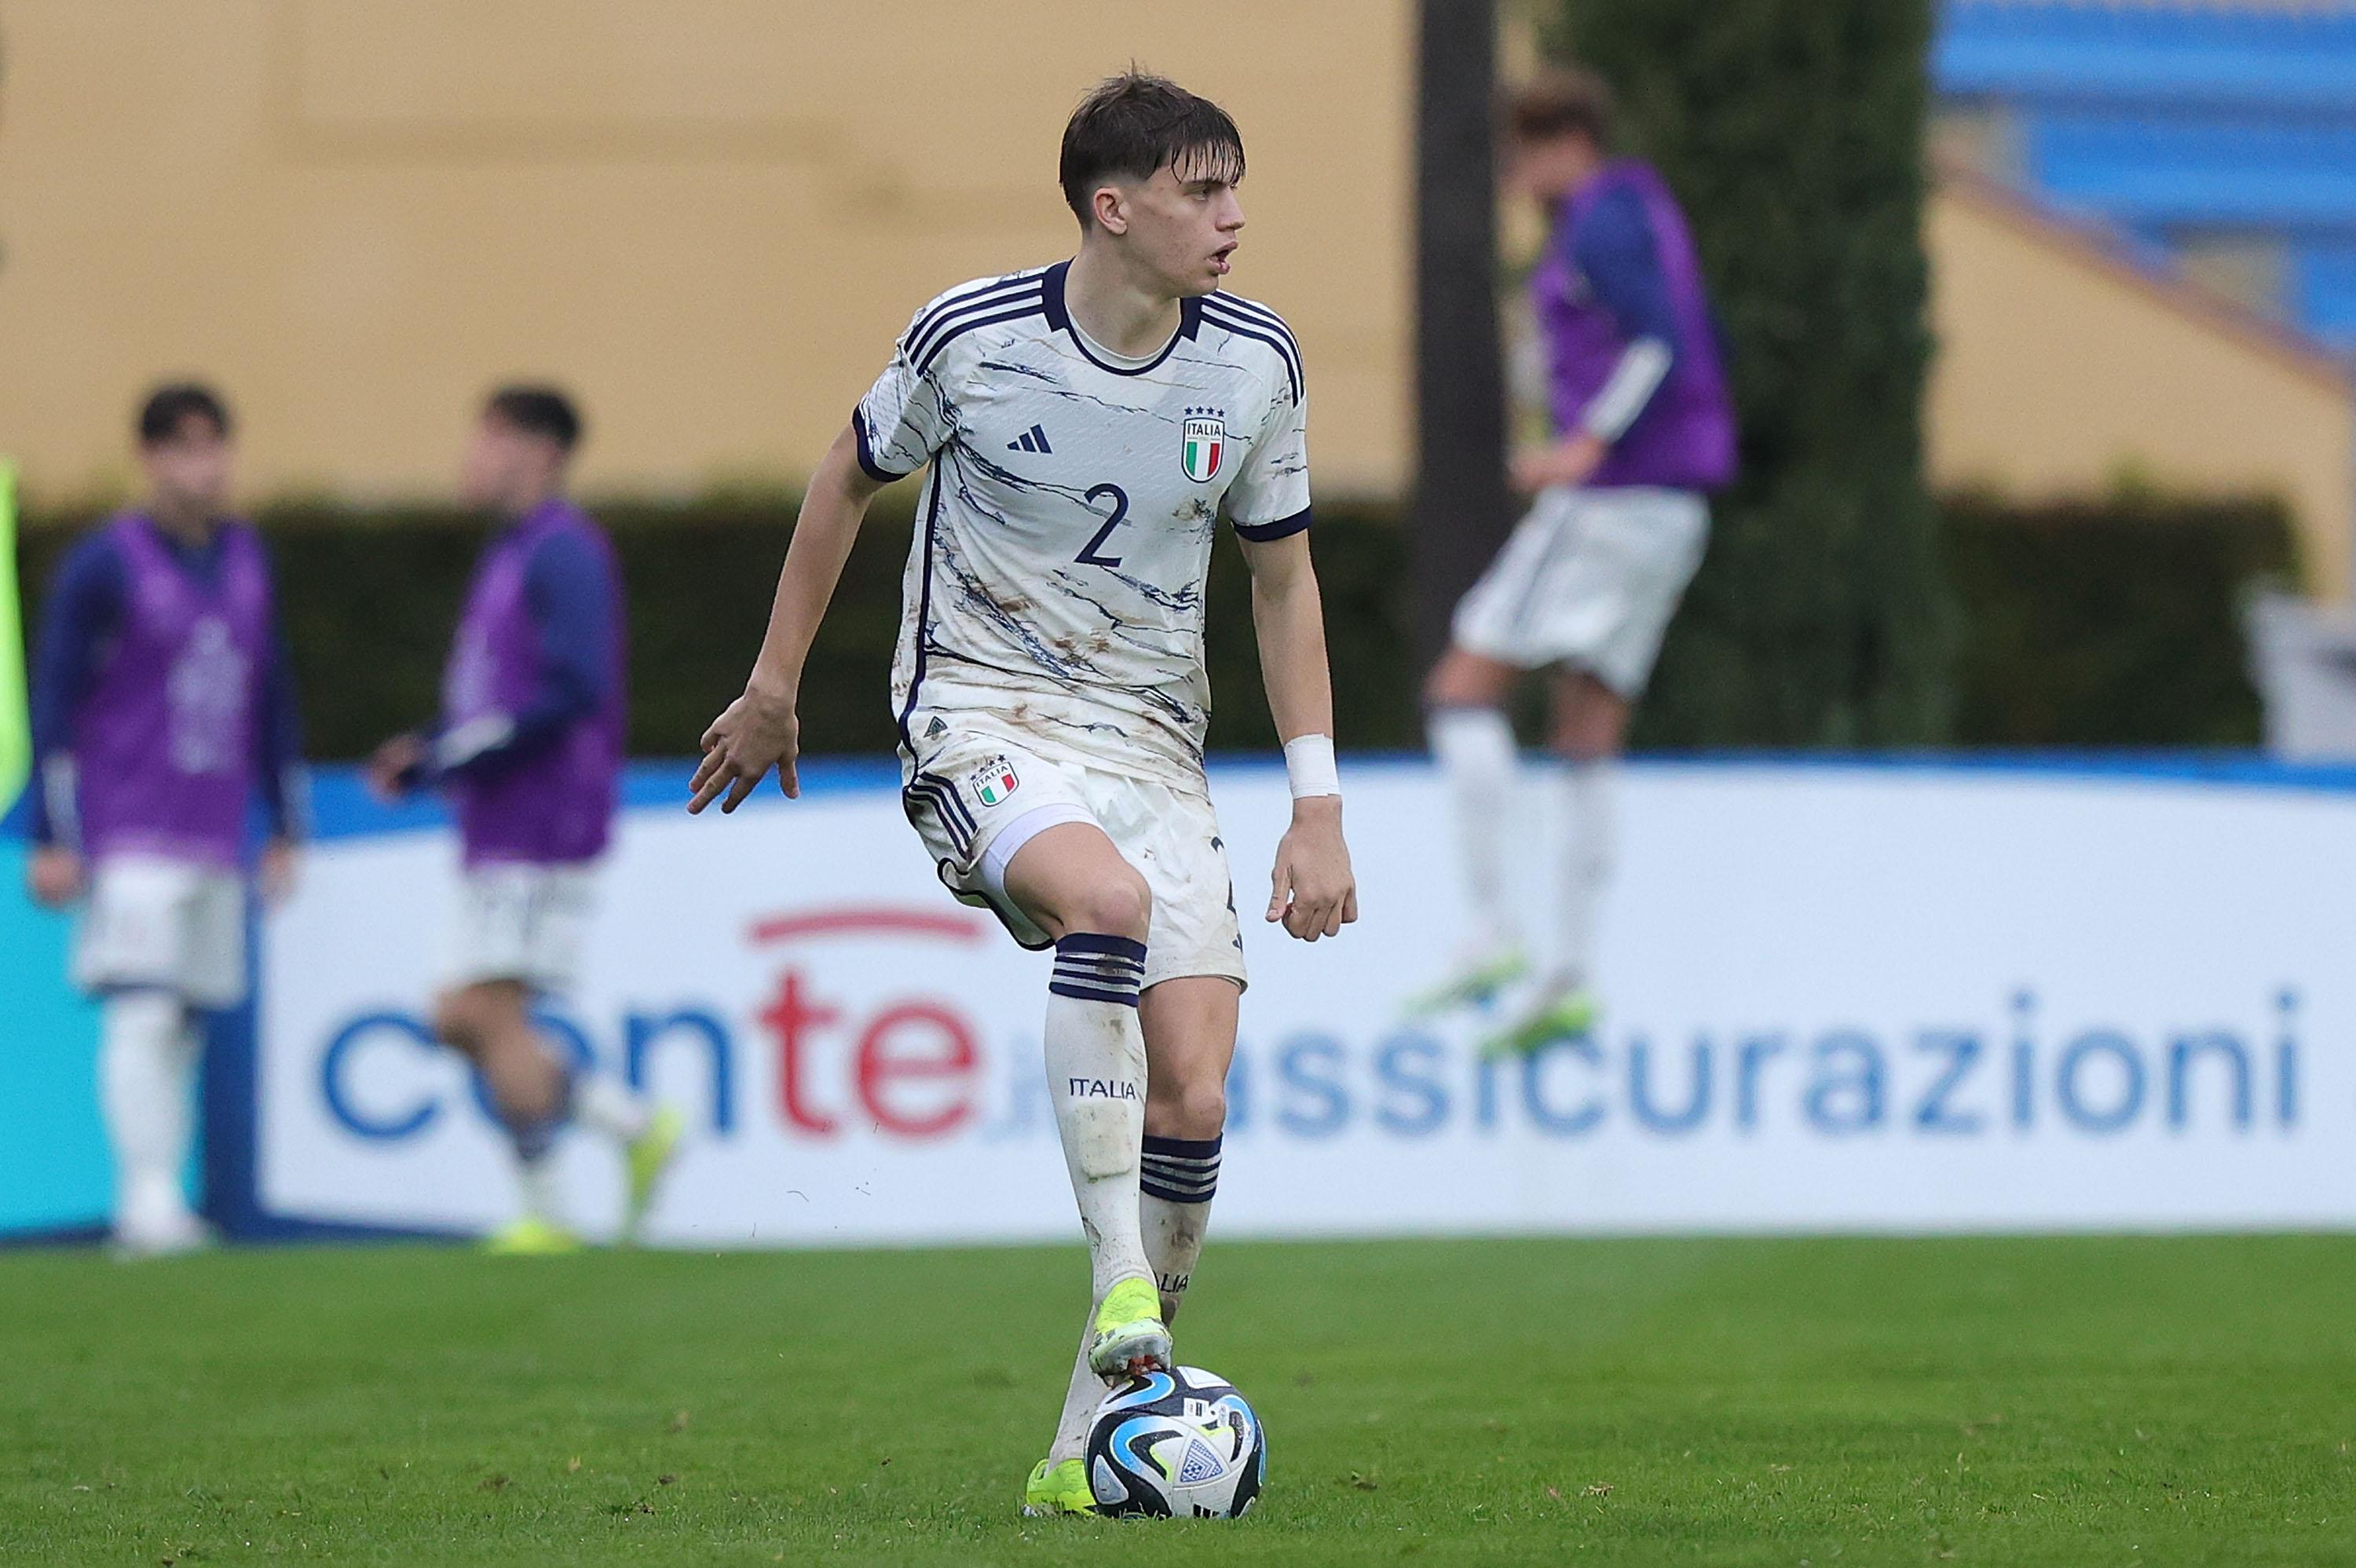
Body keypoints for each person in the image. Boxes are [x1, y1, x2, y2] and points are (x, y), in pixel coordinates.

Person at [690, 72, 1358, 1515]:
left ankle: (1080, 1450)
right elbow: (843, 478)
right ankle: (1123, 1280)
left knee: (1196, 1088)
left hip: (1153, 743)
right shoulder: (973, 339)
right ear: (1112, 209)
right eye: (1201, 190)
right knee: (1103, 902)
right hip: (979, 713)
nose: (1233, 217)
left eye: (1236, 187)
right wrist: (773, 684)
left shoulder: (1255, 364)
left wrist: (1317, 805)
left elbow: (1284, 580)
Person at [1414, 67, 1736, 1055]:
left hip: (1614, 501)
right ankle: (1571, 975)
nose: (1515, 180)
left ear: (1561, 144)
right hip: (1674, 507)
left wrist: (1584, 445)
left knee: (1462, 687)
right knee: (1588, 729)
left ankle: (1492, 930)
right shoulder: (1640, 210)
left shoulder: (1600, 221)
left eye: (1520, 158)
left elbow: (1658, 342)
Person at [368, 386, 678, 1253]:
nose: (472, 456)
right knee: (458, 1015)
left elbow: (571, 693)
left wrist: (445, 757)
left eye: (490, 438)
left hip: (541, 819)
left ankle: (549, 1211)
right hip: (499, 819)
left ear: (539, 450)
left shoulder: (563, 550)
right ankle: (630, 1125)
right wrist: (431, 744)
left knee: (486, 1010)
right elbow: (491, 696)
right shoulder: (511, 552)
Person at [25, 383, 305, 1255]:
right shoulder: (104, 564)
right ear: (149, 457)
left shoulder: (247, 557)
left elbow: (270, 691)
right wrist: (50, 833)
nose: (204, 466)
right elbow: (55, 696)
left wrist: (285, 820)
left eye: (215, 446)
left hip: (215, 824)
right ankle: (145, 1200)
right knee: (141, 1007)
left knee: (185, 1018)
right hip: (129, 823)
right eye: (184, 447)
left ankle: (162, 1195)